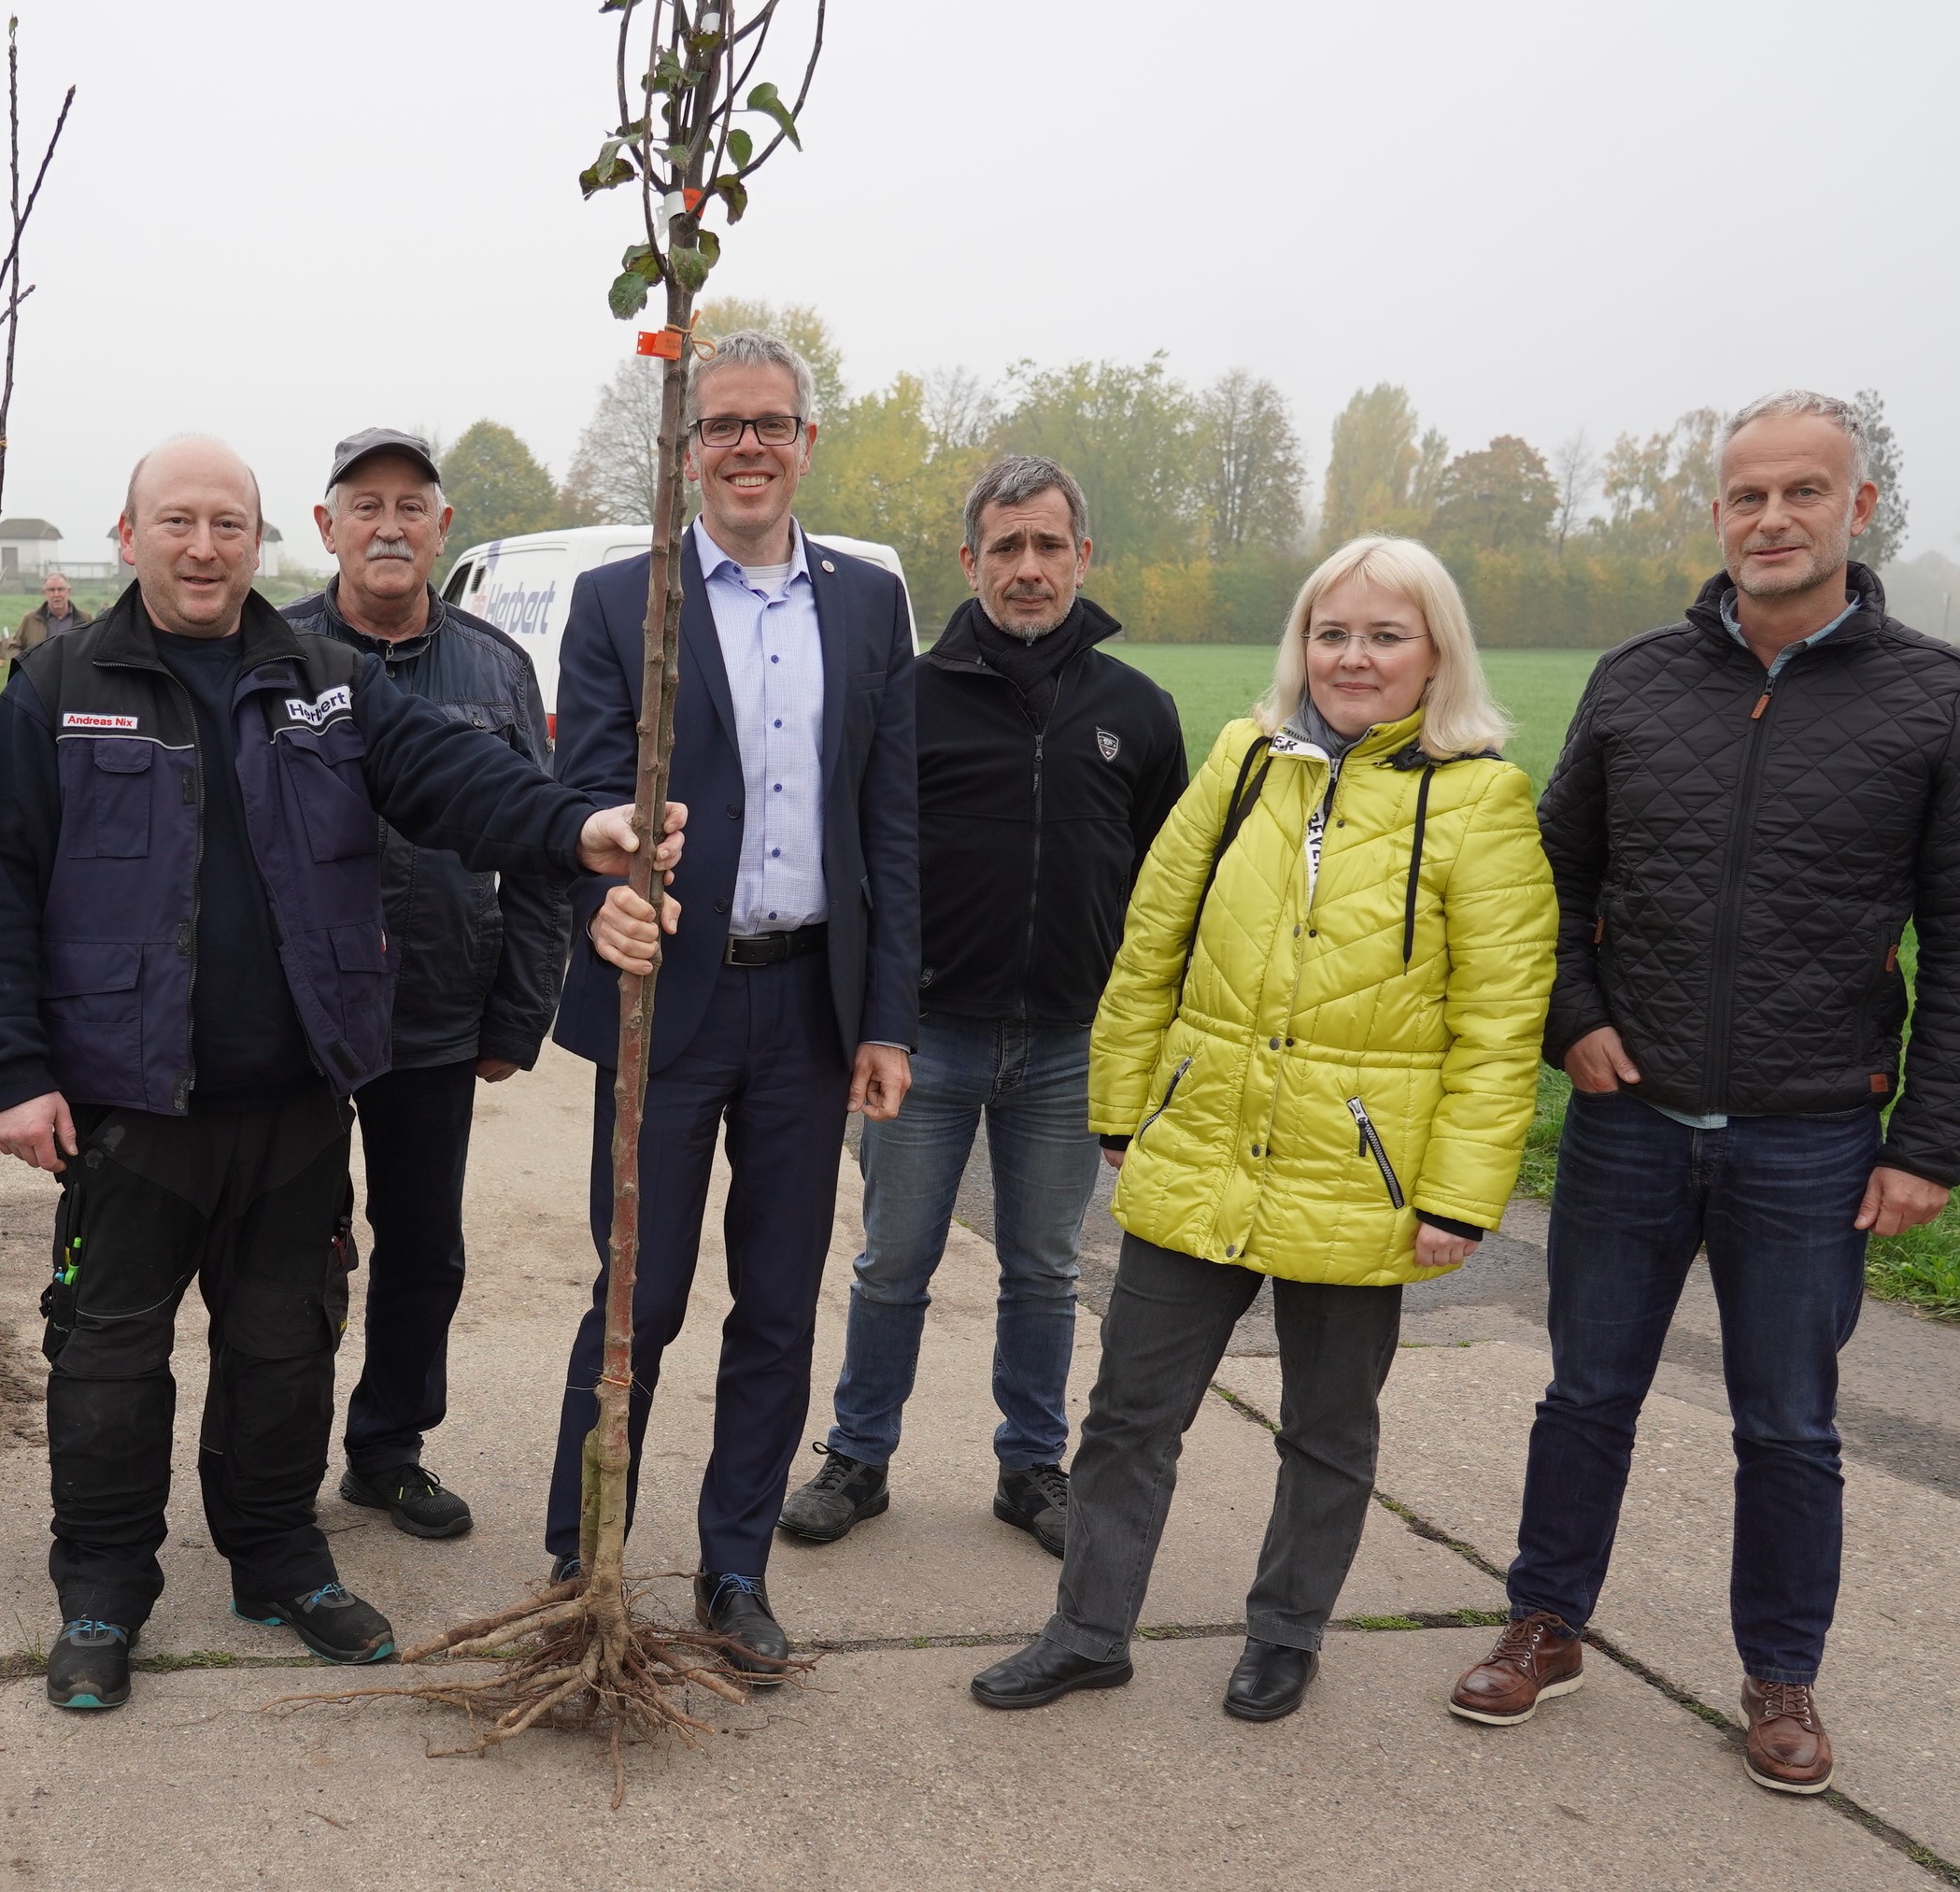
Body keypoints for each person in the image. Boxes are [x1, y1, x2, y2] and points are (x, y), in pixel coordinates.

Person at [0, 434, 681, 1713]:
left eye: (228, 524)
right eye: (177, 522)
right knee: (110, 1360)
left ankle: (277, 1555)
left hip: (295, 1098)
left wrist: (578, 827)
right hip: (133, 1105)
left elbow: (453, 776)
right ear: (129, 539)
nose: (203, 546)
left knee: (285, 1348)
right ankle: (106, 1586)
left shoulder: (323, 683)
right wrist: (13, 1071)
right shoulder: (61, 684)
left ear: (258, 541)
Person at [1448, 391, 1960, 1796]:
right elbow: (1551, 872)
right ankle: (1545, 1620)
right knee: (1585, 1392)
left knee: (1788, 1423)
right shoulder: (1637, 678)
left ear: (1856, 510)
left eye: (1801, 494)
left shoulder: (1942, 697)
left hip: (1814, 1133)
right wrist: (1570, 1020)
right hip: (1629, 1121)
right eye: (1746, 496)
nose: (1771, 519)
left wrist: (1929, 1140)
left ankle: (1781, 1677)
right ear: (1716, 514)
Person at [972, 536, 1556, 1724]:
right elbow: (1152, 943)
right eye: (1331, 632)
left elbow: (1501, 1022)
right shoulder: (1246, 762)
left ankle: (1285, 1635)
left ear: (1435, 652)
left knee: (1328, 1427)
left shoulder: (1483, 801)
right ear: (1302, 645)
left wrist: (1456, 1194)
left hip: (1359, 1173)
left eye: (1386, 634)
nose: (1353, 656)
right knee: (1129, 1414)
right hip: (1201, 1142)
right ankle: (1088, 1630)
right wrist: (1127, 1107)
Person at [539, 330, 921, 1684]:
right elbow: (575, 792)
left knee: (776, 1300)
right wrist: (602, 895)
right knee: (637, 1290)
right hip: (668, 1003)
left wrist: (886, 1019)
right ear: (686, 448)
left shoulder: (870, 606)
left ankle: (735, 1565)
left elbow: (889, 820)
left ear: (808, 442)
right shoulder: (616, 600)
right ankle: (581, 1556)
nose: (747, 445)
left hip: (808, 1012)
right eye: (721, 426)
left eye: (772, 422)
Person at [779, 455, 1186, 1558]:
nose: (1028, 568)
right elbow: (863, 865)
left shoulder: (1136, 712)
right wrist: (876, 1016)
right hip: (925, 1037)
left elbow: (1168, 889)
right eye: (1005, 547)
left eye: (1049, 545)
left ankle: (1032, 1467)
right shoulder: (906, 699)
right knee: (892, 1258)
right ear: (968, 562)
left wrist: (1147, 1050)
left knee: (1046, 1268)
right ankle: (858, 1457)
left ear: (1083, 557)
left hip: (1068, 1044)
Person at [278, 427, 568, 1541]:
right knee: (292, 1246)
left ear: (444, 529)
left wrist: (520, 1009)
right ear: (327, 526)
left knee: (423, 1246)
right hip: (297, 1017)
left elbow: (544, 848)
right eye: (365, 504)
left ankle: (388, 1447)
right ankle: (279, 1453)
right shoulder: (276, 651)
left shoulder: (496, 667)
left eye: (412, 504)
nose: (389, 523)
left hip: (440, 1013)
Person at [16, 570, 89, 650]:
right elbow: (15, 647)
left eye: (61, 589)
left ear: (68, 591)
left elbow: (93, 648)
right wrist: (19, 662)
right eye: (51, 590)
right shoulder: (30, 620)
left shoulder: (85, 620)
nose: (56, 594)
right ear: (44, 593)